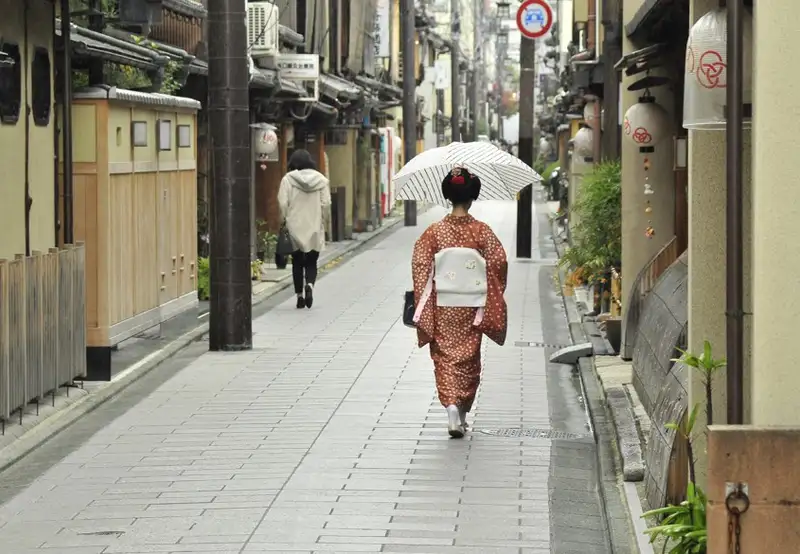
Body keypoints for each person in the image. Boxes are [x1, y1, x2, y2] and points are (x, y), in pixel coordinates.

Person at [411, 168, 508, 438]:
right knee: (468, 357)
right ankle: (462, 413)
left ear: (447, 195)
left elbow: (420, 264)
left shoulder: (434, 232)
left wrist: (427, 292)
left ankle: (452, 408)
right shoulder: (482, 231)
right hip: (472, 305)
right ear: (472, 197)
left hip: (443, 304)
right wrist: (486, 283)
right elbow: (499, 263)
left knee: (444, 357)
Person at [278, 149, 331, 309]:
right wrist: (324, 221)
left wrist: (285, 218)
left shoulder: (287, 179)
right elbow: (326, 204)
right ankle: (309, 285)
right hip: (314, 225)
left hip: (294, 226)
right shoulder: (321, 180)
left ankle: (299, 297)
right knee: (311, 261)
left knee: (297, 262)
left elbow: (282, 202)